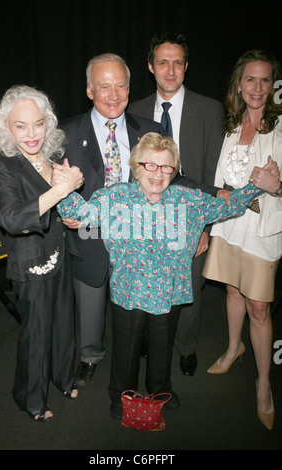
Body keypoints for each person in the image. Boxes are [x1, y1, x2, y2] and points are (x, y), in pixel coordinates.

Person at [56, 132, 278, 420]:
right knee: (125, 352)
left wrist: (257, 187)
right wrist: (60, 187)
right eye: (150, 165)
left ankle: (161, 390)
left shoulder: (189, 200)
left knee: (162, 350)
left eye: (166, 167)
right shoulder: (114, 197)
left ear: (174, 170)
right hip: (128, 293)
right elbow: (80, 214)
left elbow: (231, 205)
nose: (158, 174)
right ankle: (121, 396)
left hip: (169, 293)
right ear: (137, 166)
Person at [59, 53, 217, 386]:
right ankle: (90, 355)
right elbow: (51, 183)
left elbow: (175, 178)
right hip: (88, 235)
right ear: (89, 90)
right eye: (104, 86)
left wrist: (217, 195)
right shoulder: (66, 133)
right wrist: (64, 212)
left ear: (130, 88)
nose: (113, 94)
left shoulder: (150, 129)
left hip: (141, 242)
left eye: (120, 85)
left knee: (137, 313)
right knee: (90, 304)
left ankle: (138, 357)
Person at [129, 33, 225, 376]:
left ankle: (186, 347)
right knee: (146, 283)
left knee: (191, 291)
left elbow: (215, 174)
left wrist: (206, 227)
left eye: (178, 62)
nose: (171, 70)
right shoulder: (135, 111)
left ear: (186, 67)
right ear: (151, 67)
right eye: (163, 62)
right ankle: (145, 342)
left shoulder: (210, 110)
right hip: (146, 217)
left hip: (191, 218)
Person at [0, 85, 83, 422]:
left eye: (38, 123)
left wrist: (71, 211)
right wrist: (61, 189)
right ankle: (31, 400)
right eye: (20, 125)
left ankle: (64, 378)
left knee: (64, 325)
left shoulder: (52, 158)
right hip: (30, 264)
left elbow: (59, 206)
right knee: (36, 334)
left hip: (60, 254)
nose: (31, 134)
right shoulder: (2, 167)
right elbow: (11, 218)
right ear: (6, 129)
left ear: (48, 124)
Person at [202, 50, 282, 431]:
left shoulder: (281, 128)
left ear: (273, 85)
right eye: (251, 79)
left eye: (265, 79)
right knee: (233, 292)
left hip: (263, 232)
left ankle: (263, 385)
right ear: (239, 84)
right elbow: (220, 182)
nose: (257, 87)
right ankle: (234, 349)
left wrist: (277, 186)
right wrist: (208, 218)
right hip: (229, 225)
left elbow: (275, 187)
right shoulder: (231, 127)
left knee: (260, 308)